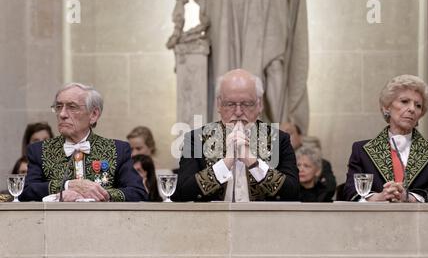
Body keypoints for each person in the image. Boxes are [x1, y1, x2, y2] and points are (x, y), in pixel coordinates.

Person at [172, 68, 299, 202]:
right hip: (211, 222)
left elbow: (293, 193)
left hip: (264, 222)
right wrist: (226, 163)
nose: (238, 112)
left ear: (259, 105)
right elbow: (181, 193)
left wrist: (252, 162)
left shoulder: (279, 140)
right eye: (230, 104)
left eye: (247, 104)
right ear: (219, 105)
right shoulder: (196, 140)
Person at [19, 83, 148, 202]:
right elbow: (26, 192)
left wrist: (102, 194)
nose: (62, 114)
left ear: (93, 115)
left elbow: (138, 192)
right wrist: (66, 186)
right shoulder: (39, 150)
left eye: (72, 107)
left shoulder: (118, 149)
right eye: (59, 107)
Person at [343, 74, 428, 202]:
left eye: (418, 105)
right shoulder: (362, 150)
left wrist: (409, 197)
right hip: (372, 220)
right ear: (387, 107)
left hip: (419, 221)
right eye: (404, 101)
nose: (412, 109)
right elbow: (350, 192)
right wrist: (379, 197)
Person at [280, 121, 336, 199]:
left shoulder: (321, 163)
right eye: (279, 133)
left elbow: (329, 187)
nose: (301, 169)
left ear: (300, 137)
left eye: (289, 133)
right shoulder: (274, 163)